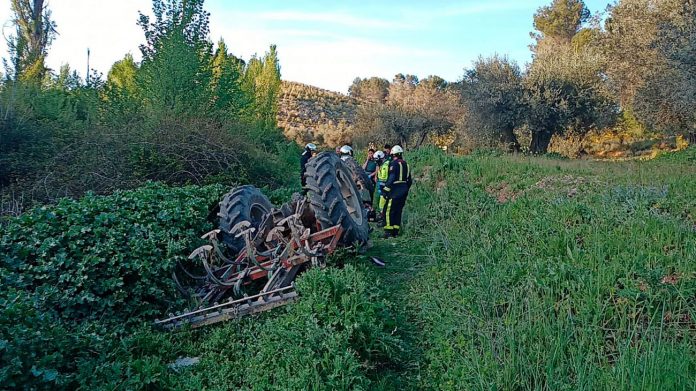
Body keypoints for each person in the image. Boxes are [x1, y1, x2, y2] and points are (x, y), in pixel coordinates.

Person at [381, 145, 412, 238]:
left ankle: (388, 231)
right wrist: (406, 189)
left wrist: (385, 190)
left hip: (395, 190)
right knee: (398, 210)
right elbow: (409, 180)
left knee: (388, 210)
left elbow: (391, 178)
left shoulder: (393, 164)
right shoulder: (406, 164)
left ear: (393, 154)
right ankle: (396, 231)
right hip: (404, 189)